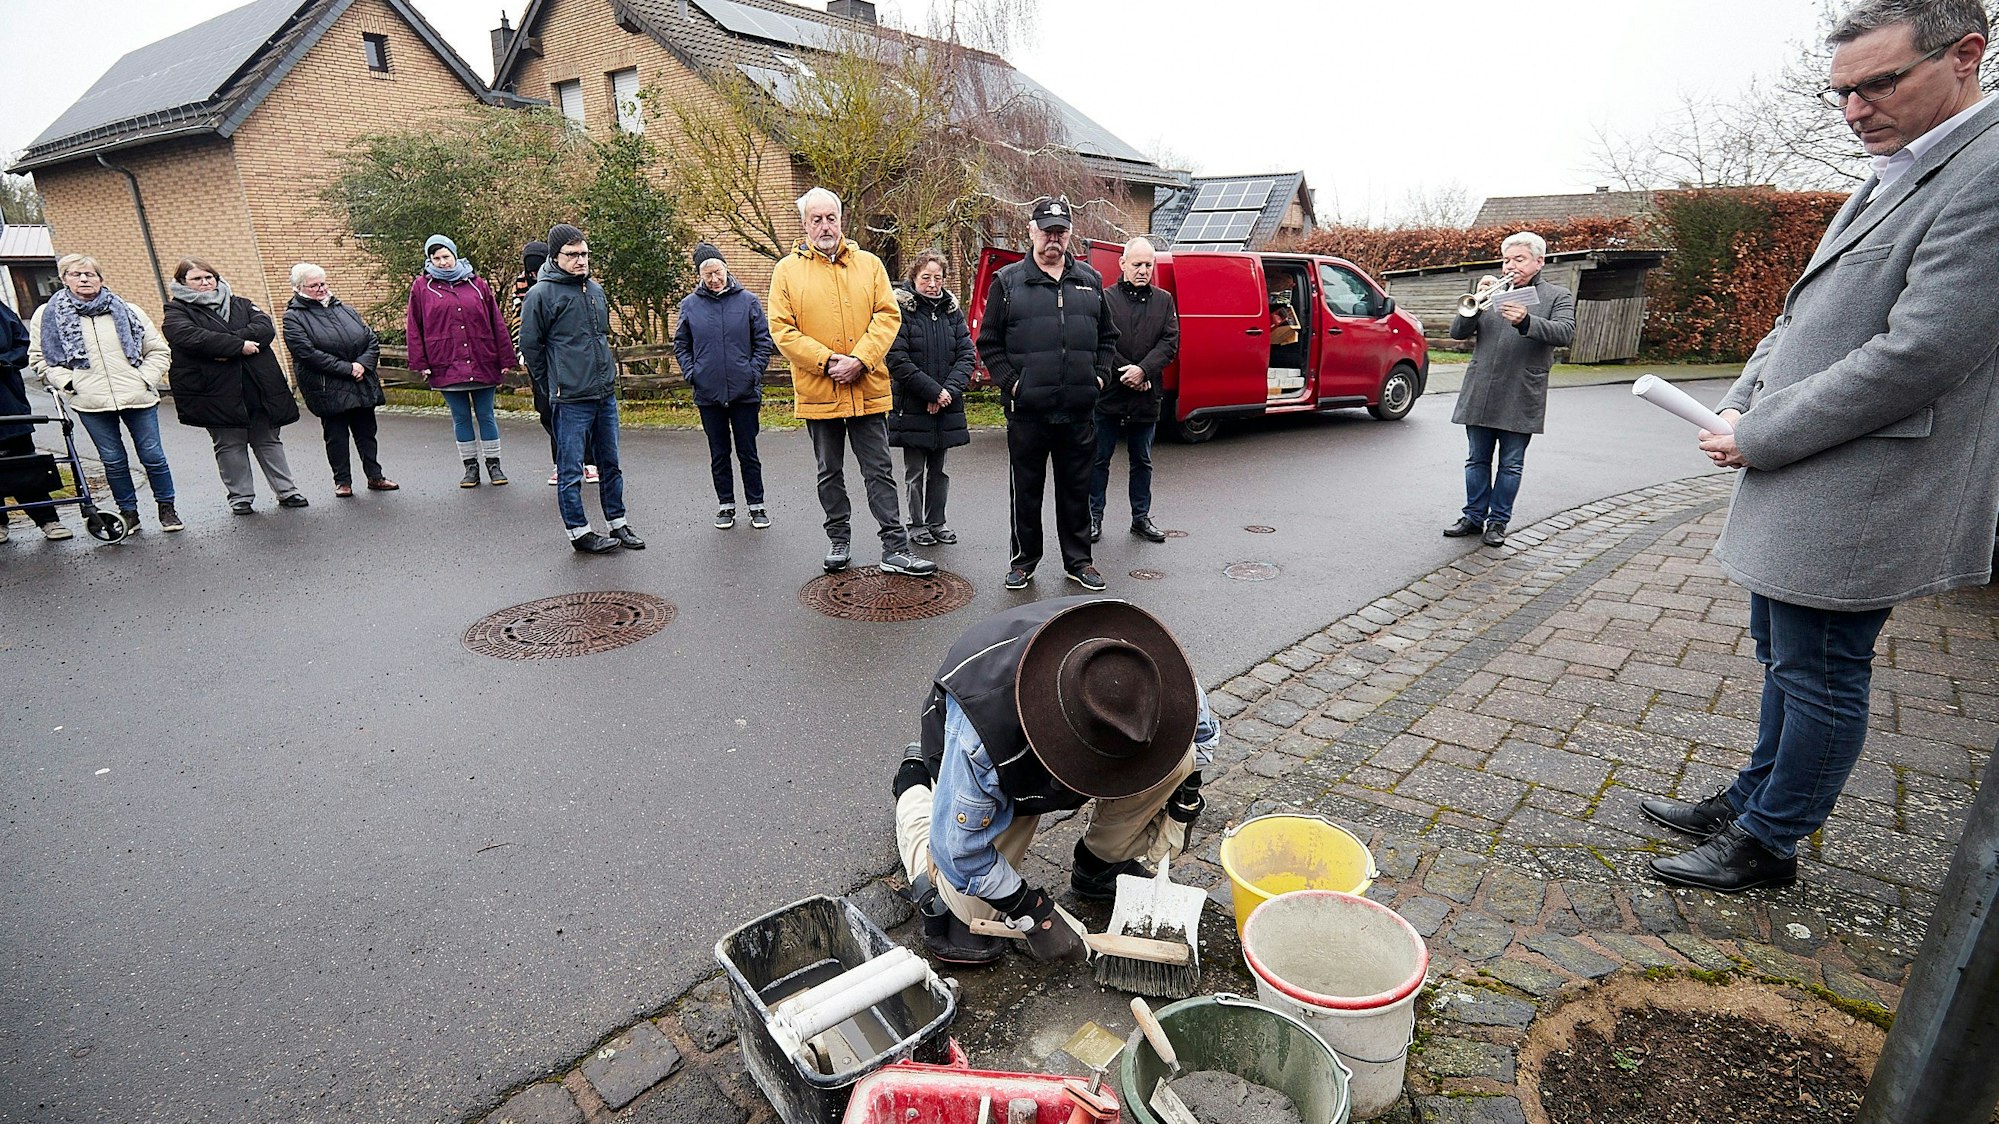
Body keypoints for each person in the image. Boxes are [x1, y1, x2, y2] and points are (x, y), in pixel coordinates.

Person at [1643, 0, 1999, 893]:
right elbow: (1805, 313)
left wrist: (1760, 433)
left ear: (1965, 55)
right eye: (1840, 91)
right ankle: (1753, 792)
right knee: (1785, 653)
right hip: (1810, 468)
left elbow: (1918, 353)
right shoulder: (1901, 165)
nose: (1854, 110)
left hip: (1863, 482)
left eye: (1879, 83)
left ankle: (1769, 842)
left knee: (1823, 673)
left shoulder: (1985, 172)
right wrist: (1733, 407)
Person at [890, 596, 1217, 965]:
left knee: (1177, 761)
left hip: (1076, 746)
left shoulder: (1137, 668)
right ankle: (914, 785)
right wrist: (1032, 912)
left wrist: (1184, 796)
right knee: (966, 916)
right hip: (990, 760)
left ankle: (1101, 863)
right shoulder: (983, 738)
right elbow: (960, 853)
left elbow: (1201, 736)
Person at [768, 187, 933, 575]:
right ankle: (838, 540)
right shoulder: (786, 271)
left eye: (831, 218)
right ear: (804, 224)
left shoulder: (870, 265)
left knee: (878, 469)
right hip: (819, 390)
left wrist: (860, 359)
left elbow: (887, 316)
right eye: (816, 219)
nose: (825, 226)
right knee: (829, 471)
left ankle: (895, 547)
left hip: (867, 386)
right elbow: (782, 329)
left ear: (841, 220)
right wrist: (827, 362)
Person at [976, 196, 1118, 593]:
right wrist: (1013, 383)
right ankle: (1023, 561)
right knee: (1026, 491)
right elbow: (989, 344)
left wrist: (1100, 379)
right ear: (1031, 232)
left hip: (1078, 410)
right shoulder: (1008, 282)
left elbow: (1108, 339)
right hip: (1029, 413)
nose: (1053, 239)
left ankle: (1079, 561)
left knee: (1077, 490)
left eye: (1060, 232)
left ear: (1069, 235)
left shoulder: (1089, 281)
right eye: (1046, 231)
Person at [27, 254, 181, 534]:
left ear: (101, 278)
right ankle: (128, 513)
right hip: (90, 400)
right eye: (76, 274)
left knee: (153, 455)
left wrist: (144, 378)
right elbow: (41, 359)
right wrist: (70, 383)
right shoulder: (48, 314)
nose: (84, 279)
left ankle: (167, 509)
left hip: (136, 395)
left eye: (90, 274)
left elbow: (158, 350)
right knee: (112, 459)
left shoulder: (127, 309)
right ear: (64, 279)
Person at [1442, 232, 1575, 549]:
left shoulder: (1557, 295)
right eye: (1506, 259)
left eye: (1519, 259)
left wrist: (1527, 320)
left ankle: (1498, 522)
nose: (1510, 265)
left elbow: (1566, 332)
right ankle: (1473, 517)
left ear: (1538, 261)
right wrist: (1474, 303)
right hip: (1481, 389)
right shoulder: (1490, 295)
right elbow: (1457, 333)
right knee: (1476, 460)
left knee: (1511, 463)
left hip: (1521, 390)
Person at [520, 223, 642, 554]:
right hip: (570, 397)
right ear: (555, 256)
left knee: (610, 463)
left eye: (585, 254)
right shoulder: (540, 295)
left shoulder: (595, 290)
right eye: (573, 255)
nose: (581, 260)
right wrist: (552, 385)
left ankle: (618, 523)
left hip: (603, 394)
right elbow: (531, 348)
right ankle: (579, 531)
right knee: (570, 468)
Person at [163, 258, 306, 514]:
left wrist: (223, 346)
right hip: (215, 392)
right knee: (229, 444)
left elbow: (264, 329)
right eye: (197, 278)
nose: (205, 282)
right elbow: (190, 338)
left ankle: (287, 491)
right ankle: (241, 498)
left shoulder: (241, 303)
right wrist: (239, 346)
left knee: (268, 440)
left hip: (257, 385)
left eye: (209, 277)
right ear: (182, 282)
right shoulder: (177, 311)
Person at [675, 242, 774, 530]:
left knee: (748, 452)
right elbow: (682, 344)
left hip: (745, 393)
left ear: (726, 269)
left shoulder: (748, 301)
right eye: (707, 275)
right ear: (700, 276)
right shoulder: (689, 306)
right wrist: (693, 374)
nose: (714, 279)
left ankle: (757, 505)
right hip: (708, 394)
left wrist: (753, 373)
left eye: (717, 272)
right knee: (719, 453)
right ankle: (726, 505)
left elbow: (763, 342)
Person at [406, 234, 512, 488]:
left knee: (486, 415)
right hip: (445, 362)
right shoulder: (422, 287)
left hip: (482, 359)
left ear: (455, 255)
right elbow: (414, 326)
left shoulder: (477, 284)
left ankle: (494, 465)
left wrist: (505, 357)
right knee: (461, 417)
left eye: (446, 256)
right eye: (436, 258)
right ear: (429, 260)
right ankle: (470, 468)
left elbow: (496, 321)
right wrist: (421, 362)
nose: (442, 262)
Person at [1092, 237, 1178, 545]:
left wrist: (1144, 371)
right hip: (1110, 393)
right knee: (1099, 458)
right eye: (1137, 264)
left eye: (1148, 265)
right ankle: (1094, 517)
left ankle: (1141, 518)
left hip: (1146, 393)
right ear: (1123, 263)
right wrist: (1128, 372)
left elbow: (1170, 343)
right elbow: (1101, 341)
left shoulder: (1164, 300)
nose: (1143, 270)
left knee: (1142, 459)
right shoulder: (1105, 299)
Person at [282, 264, 396, 497]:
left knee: (367, 432)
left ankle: (375, 476)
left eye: (323, 283)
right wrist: (347, 368)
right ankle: (343, 481)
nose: (321, 288)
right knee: (336, 436)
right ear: (299, 288)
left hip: (360, 380)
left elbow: (370, 340)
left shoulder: (346, 309)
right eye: (314, 285)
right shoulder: (293, 317)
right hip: (327, 385)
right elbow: (306, 353)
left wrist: (362, 365)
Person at [886, 250, 973, 547]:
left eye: (938, 278)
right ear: (914, 278)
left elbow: (966, 354)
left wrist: (947, 392)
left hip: (946, 405)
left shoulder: (952, 311)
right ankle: (916, 524)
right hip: (913, 406)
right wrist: (932, 391)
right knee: (914, 471)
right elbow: (897, 359)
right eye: (926, 278)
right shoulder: (901, 311)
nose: (932, 284)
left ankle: (938, 522)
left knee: (939, 470)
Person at [514, 241, 598, 488]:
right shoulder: (525, 288)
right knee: (549, 412)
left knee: (582, 412)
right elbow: (519, 324)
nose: (534, 275)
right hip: (540, 361)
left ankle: (589, 460)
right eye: (530, 273)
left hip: (567, 361)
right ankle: (562, 462)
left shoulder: (566, 286)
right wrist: (528, 360)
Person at [2, 299, 73, 542]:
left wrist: (5, 361)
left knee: (24, 466)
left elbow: (24, 344)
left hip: (8, 404)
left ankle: (48, 520)